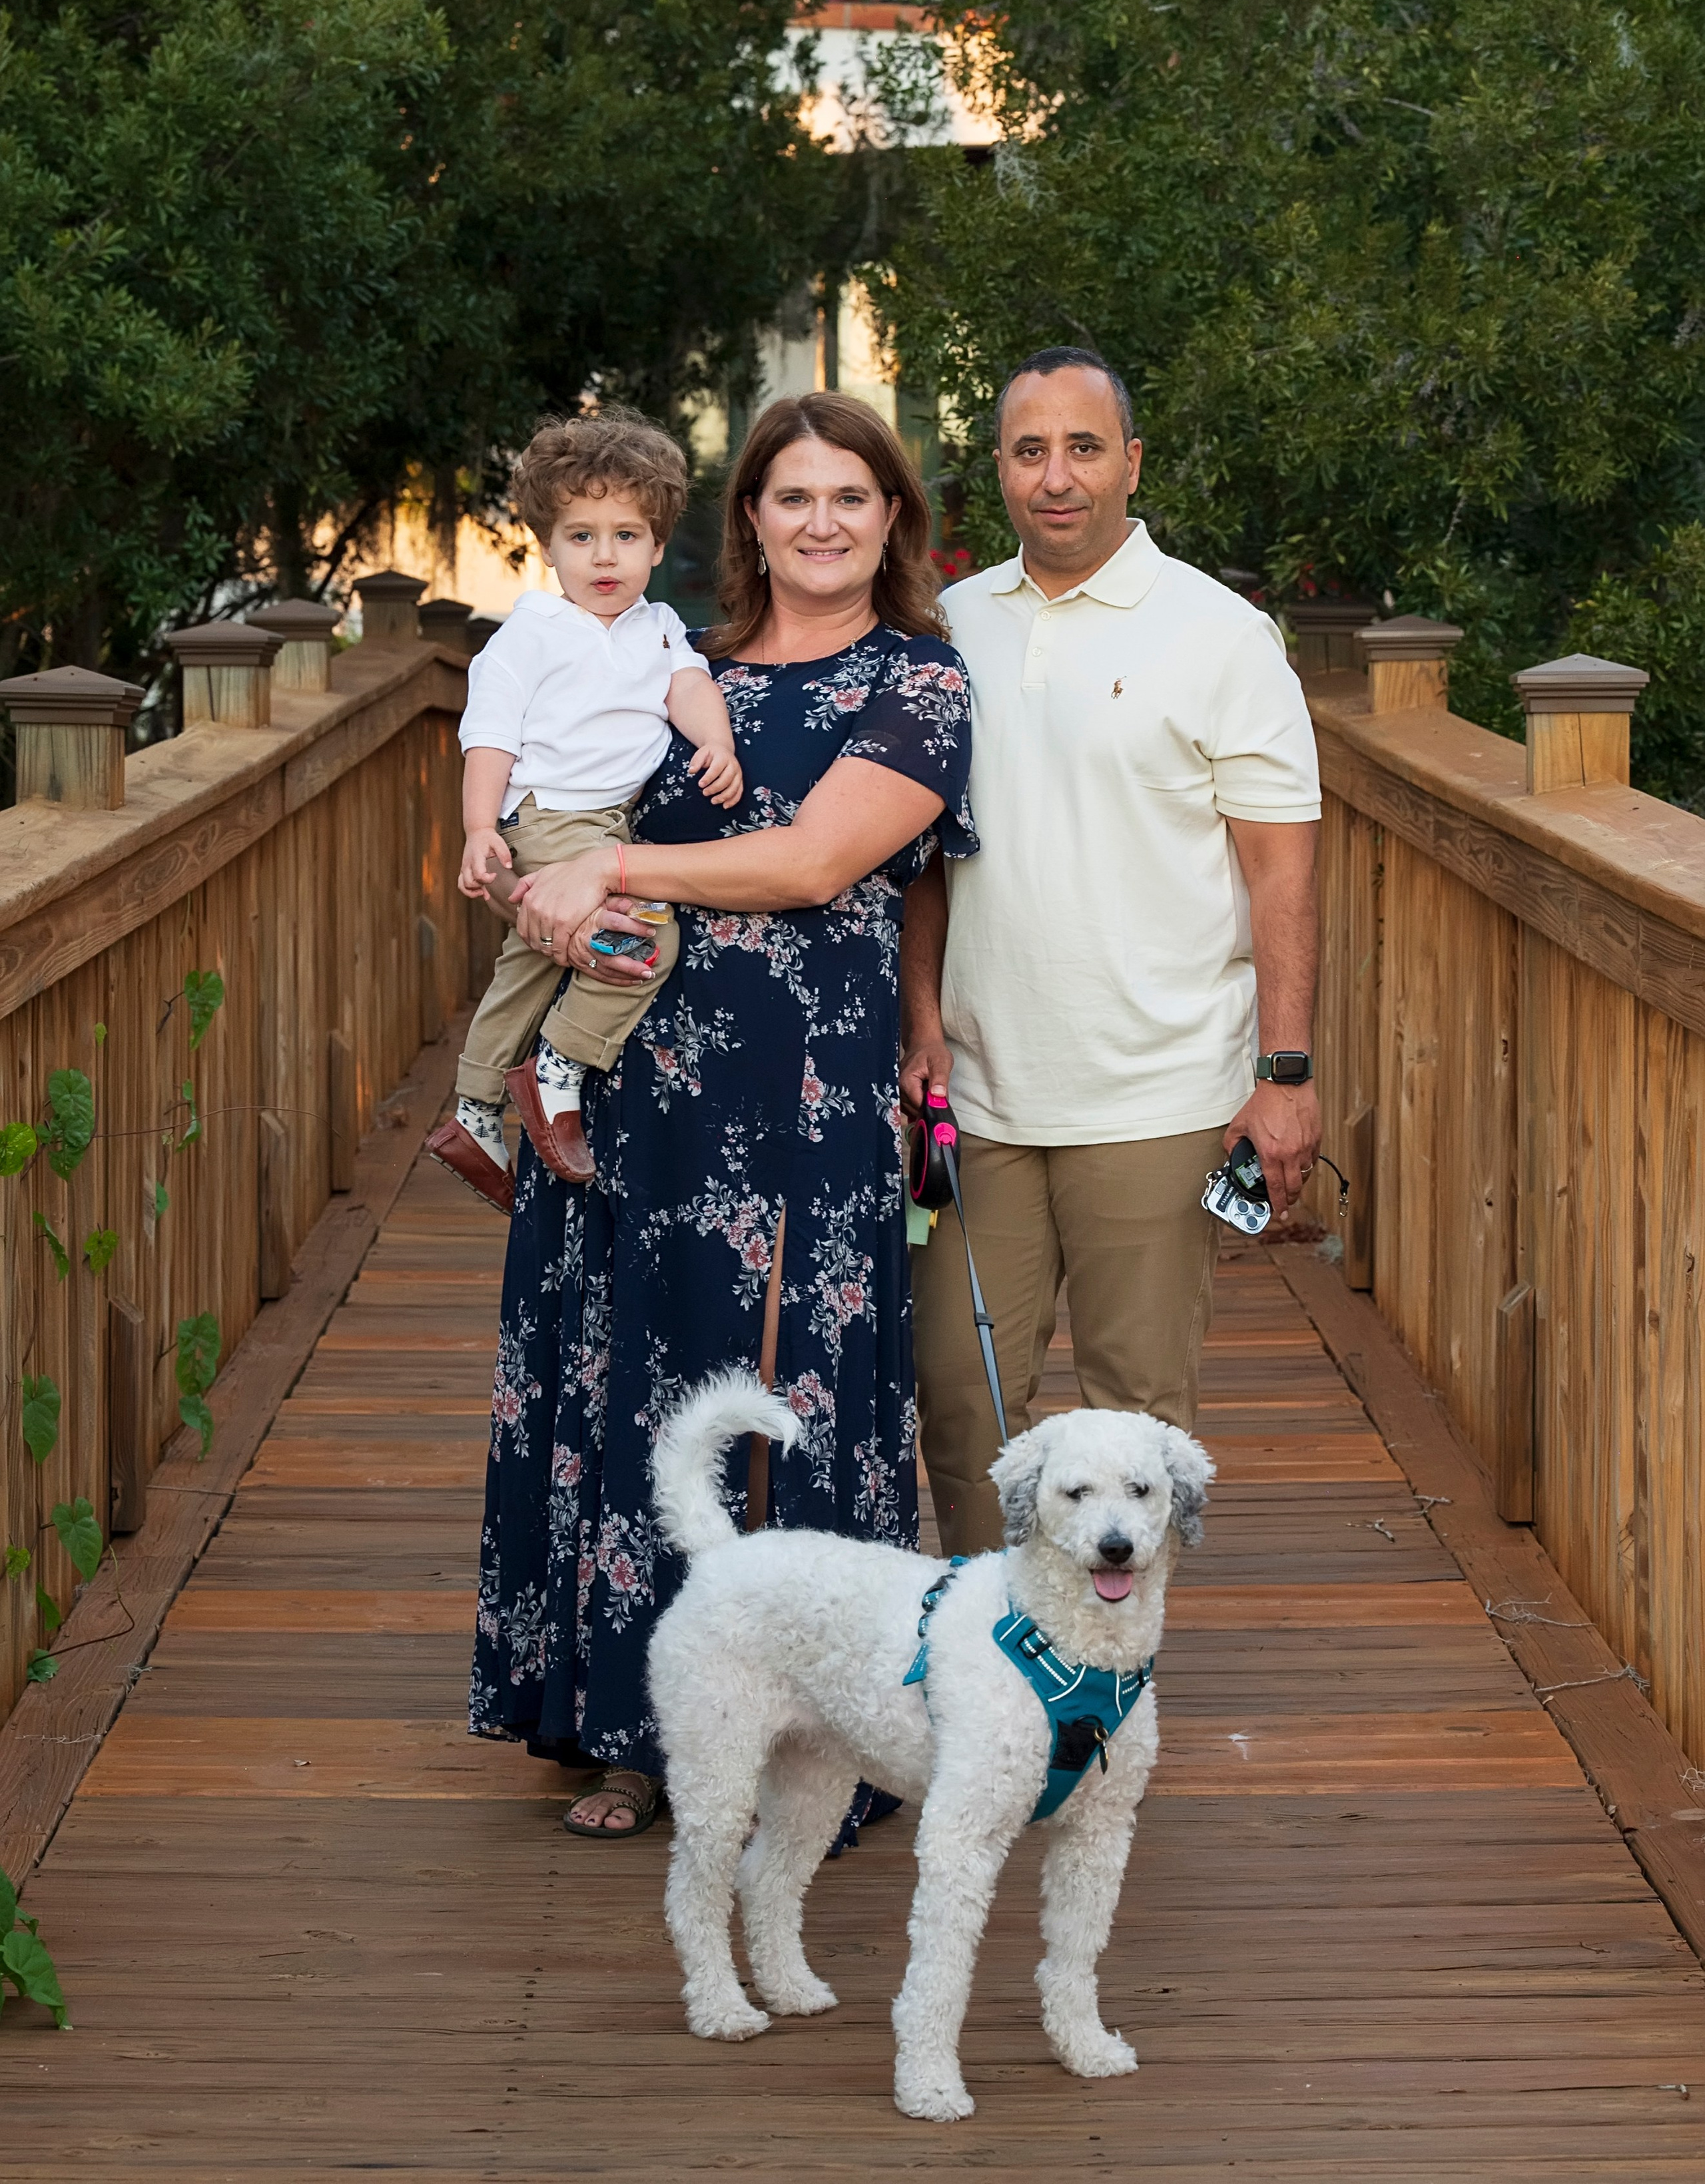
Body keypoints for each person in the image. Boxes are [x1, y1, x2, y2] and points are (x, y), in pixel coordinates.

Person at [469, 391, 976, 1837]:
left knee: (785, 1387)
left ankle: (806, 1743)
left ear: (892, 519)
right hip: (633, 1086)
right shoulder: (664, 658)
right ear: (747, 517)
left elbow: (819, 862)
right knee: (630, 1374)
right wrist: (527, 880)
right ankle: (631, 1732)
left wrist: (618, 874)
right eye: (791, 496)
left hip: (803, 1099)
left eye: (851, 497)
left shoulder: (918, 684)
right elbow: (553, 827)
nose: (821, 521)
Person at [900, 346, 1321, 1556]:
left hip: (1157, 1090)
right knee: (965, 1405)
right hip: (973, 1096)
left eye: (1085, 446)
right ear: (999, 469)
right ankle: (1002, 1687)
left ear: (1132, 462)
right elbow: (922, 855)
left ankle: (1098, 1704)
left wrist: (1284, 1076)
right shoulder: (948, 623)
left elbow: (1281, 868)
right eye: (1031, 450)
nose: (1058, 476)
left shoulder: (1223, 634)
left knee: (1138, 1427)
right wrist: (918, 1020)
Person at [428, 409, 741, 1209]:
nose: (605, 556)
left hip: (606, 827)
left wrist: (718, 745)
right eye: (581, 536)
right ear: (548, 543)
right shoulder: (533, 631)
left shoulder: (659, 626)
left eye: (627, 535)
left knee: (532, 960)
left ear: (659, 545)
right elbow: (489, 735)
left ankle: (472, 1106)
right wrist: (475, 829)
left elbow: (691, 686)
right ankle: (560, 1066)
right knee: (643, 941)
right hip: (549, 817)